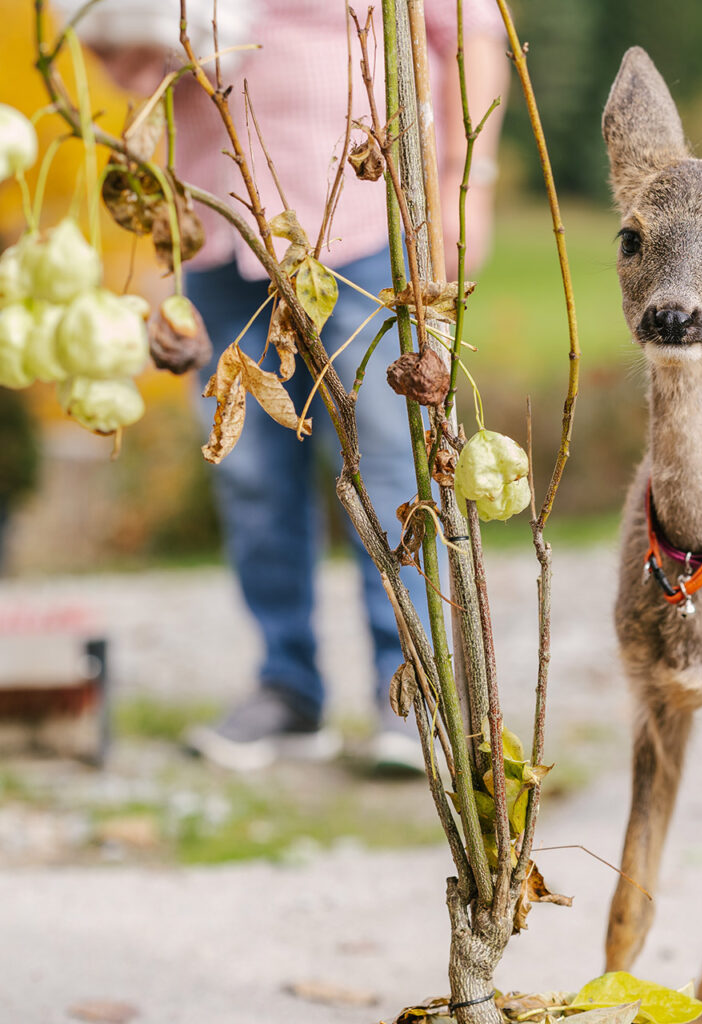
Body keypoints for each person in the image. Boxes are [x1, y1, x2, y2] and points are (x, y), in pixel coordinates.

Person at [64, 0, 508, 771]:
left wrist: (470, 190)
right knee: (249, 472)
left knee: (390, 460)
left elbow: (468, 32)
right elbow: (124, 53)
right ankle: (287, 688)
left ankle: (412, 695)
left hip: (367, 218)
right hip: (221, 217)